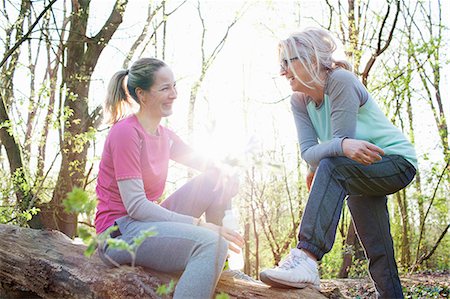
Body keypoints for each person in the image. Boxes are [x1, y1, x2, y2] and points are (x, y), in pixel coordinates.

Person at [259, 28, 417, 299]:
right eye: (281, 64)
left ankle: (307, 256)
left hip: (395, 161)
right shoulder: (299, 101)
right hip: (357, 171)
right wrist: (315, 166)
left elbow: (337, 152)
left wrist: (334, 152)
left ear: (310, 60)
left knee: (333, 166)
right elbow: (309, 151)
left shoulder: (340, 81)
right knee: (377, 246)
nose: (283, 71)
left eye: (289, 62)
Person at [95, 57, 244, 299]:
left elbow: (208, 163)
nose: (174, 94)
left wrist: (229, 170)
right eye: (165, 88)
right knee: (210, 243)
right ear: (142, 95)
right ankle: (213, 251)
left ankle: (217, 264)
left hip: (143, 224)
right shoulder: (126, 133)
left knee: (215, 178)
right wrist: (200, 225)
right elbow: (136, 206)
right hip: (118, 234)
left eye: (174, 86)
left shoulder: (166, 136)